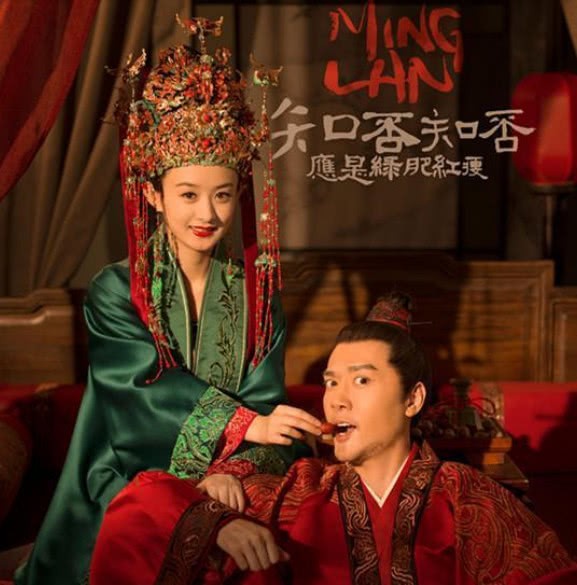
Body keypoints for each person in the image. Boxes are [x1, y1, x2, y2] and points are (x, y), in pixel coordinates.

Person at [14, 16, 321, 585]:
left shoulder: (257, 295)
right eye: (187, 194)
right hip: (126, 476)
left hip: (231, 479)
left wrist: (232, 466)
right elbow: (135, 399)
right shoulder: (115, 290)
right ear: (153, 195)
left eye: (222, 194)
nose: (207, 214)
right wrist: (242, 426)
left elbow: (268, 408)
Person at [90, 292, 577, 585]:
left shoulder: (467, 498)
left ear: (412, 399)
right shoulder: (301, 491)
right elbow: (139, 509)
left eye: (361, 380)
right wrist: (214, 522)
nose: (337, 400)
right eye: (330, 382)